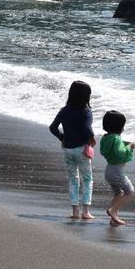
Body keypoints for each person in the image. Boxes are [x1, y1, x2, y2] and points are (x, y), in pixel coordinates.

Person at [49, 80, 96, 220]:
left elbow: (52, 128)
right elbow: (87, 129)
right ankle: (86, 211)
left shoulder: (64, 111)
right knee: (87, 179)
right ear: (86, 96)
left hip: (68, 149)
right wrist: (91, 138)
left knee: (73, 179)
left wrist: (62, 137)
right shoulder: (86, 112)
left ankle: (75, 210)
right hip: (82, 150)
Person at [99, 109, 135, 226]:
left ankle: (114, 217)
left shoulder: (105, 138)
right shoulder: (116, 139)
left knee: (118, 194)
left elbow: (106, 151)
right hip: (116, 172)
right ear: (120, 127)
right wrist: (130, 146)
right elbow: (120, 153)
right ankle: (113, 210)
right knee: (130, 192)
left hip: (108, 171)